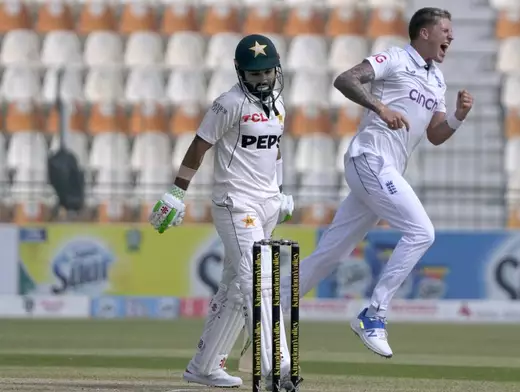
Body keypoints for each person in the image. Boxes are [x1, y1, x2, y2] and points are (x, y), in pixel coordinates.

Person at [297, 7, 474, 358]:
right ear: (424, 33)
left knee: (331, 253)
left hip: (386, 169)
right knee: (422, 231)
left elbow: (435, 135)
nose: (451, 37)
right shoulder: (394, 58)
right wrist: (381, 108)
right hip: (370, 158)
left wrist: (457, 116)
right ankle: (373, 314)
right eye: (445, 30)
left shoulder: (436, 79)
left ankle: (271, 305)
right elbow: (345, 79)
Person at [148, 34, 296, 390]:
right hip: (235, 203)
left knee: (234, 287)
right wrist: (175, 193)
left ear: (277, 70)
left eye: (266, 72)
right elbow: (200, 145)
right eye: (253, 73)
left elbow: (273, 151)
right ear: (239, 71)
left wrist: (279, 191)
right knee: (256, 281)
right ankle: (278, 368)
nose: (261, 80)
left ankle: (204, 366)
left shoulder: (278, 106)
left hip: (265, 203)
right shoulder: (228, 103)